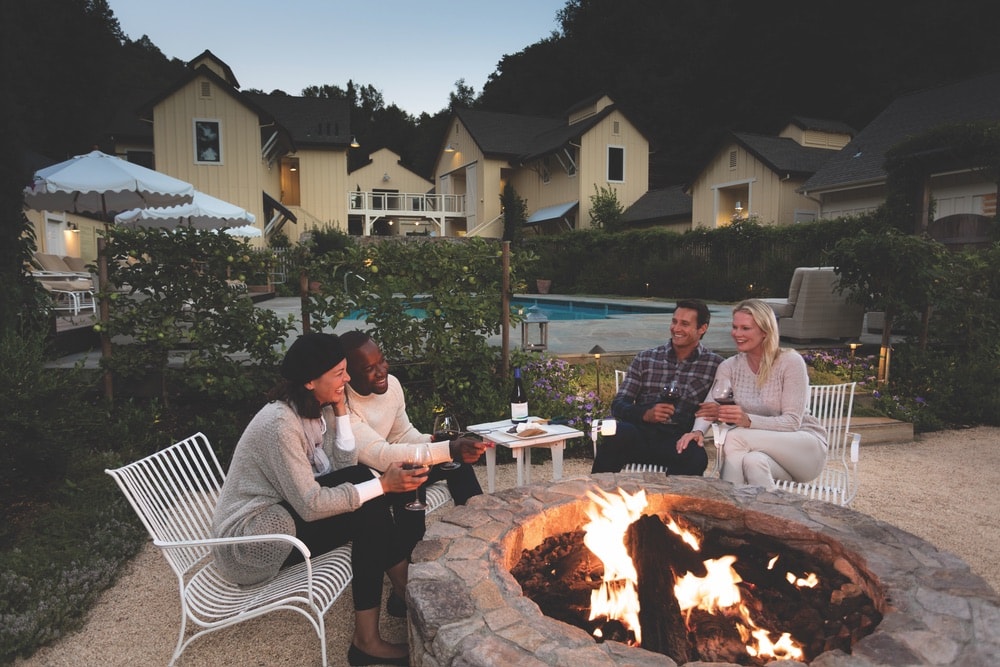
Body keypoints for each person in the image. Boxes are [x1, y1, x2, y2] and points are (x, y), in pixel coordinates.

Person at [211, 333, 422, 667]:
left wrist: (340, 412)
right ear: (311, 381)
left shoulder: (310, 410)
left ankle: (398, 599)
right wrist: (382, 485)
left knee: (365, 492)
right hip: (251, 544)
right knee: (368, 497)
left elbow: (342, 468)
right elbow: (311, 504)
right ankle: (395, 604)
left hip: (282, 518)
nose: (348, 379)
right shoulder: (280, 425)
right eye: (339, 374)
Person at [341, 330, 487, 557]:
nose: (382, 372)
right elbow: (381, 454)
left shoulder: (393, 385)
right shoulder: (342, 406)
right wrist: (445, 449)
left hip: (394, 465)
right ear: (347, 374)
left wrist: (435, 443)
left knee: (456, 465)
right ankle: (411, 567)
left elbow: (403, 434)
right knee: (410, 477)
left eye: (382, 361)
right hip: (369, 484)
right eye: (369, 369)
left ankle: (482, 536)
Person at [677, 299, 828, 489]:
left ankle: (726, 506)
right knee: (753, 462)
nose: (737, 334)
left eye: (745, 328)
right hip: (764, 454)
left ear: (765, 331)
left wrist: (747, 420)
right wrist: (697, 432)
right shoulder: (730, 366)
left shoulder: (790, 361)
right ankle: (769, 514)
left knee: (735, 436)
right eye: (735, 327)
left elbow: (792, 422)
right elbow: (711, 407)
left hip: (804, 449)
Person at [592, 299, 724, 475]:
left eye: (684, 324)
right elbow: (618, 405)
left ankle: (673, 501)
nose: (676, 329)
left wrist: (714, 415)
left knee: (696, 456)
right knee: (618, 434)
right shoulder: (646, 358)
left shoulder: (714, 365)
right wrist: (645, 414)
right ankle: (596, 496)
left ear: (702, 328)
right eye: (674, 321)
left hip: (677, 439)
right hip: (639, 435)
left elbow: (724, 405)